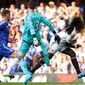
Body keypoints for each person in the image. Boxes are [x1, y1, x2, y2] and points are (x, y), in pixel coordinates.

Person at [0, 10, 32, 85]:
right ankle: (6, 72)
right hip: (2, 47)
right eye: (9, 14)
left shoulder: (5, 24)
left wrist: (9, 40)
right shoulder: (4, 23)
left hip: (2, 46)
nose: (10, 16)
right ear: (7, 15)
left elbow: (2, 36)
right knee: (19, 56)